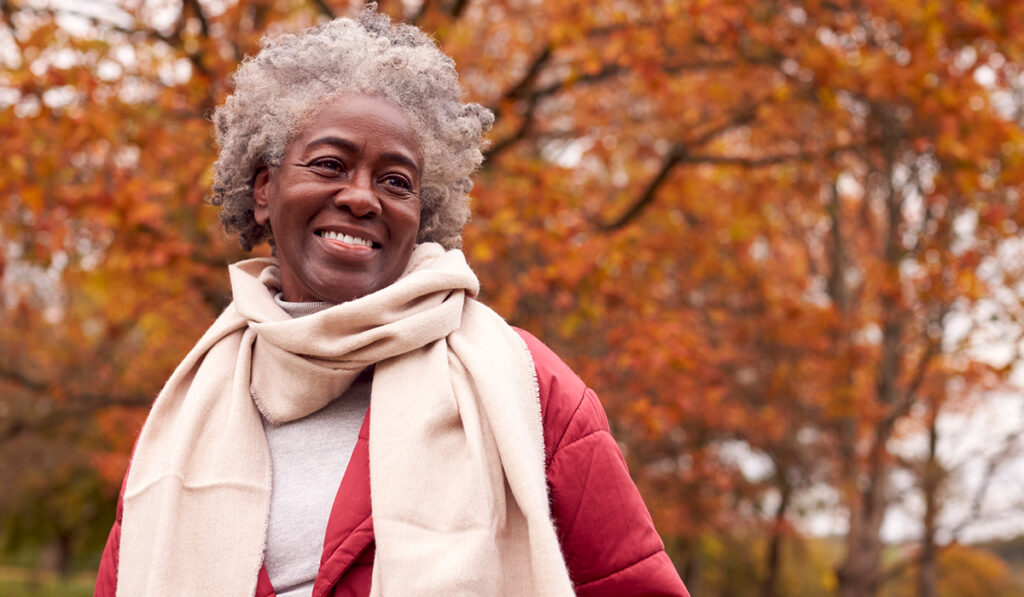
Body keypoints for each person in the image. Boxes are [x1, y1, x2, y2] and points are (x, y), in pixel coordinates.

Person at [95, 6, 688, 597]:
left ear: (420, 215)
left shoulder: (528, 387)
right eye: (330, 164)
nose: (361, 198)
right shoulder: (184, 414)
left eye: (395, 181)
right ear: (265, 190)